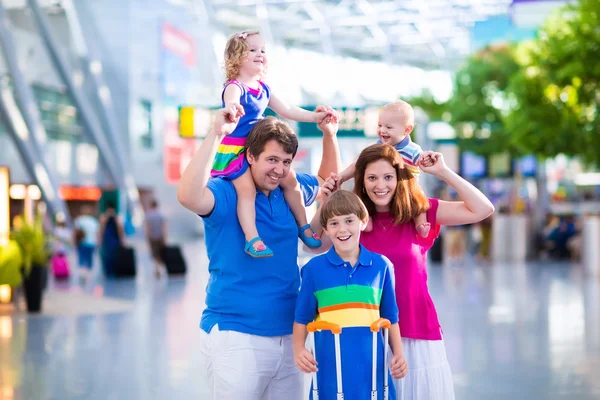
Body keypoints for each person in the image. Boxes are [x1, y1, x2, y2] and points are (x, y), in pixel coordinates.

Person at [177, 107, 341, 399]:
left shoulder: (288, 190)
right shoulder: (227, 191)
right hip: (237, 334)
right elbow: (188, 196)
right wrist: (217, 134)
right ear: (250, 156)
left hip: (291, 335)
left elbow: (328, 183)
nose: (279, 169)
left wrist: (330, 136)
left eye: (286, 162)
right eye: (272, 160)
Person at [313, 144, 495, 399]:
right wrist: (328, 196)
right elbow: (313, 244)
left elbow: (483, 209)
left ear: (399, 179)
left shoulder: (420, 213)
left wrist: (443, 172)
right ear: (361, 181)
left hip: (417, 331)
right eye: (372, 177)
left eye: (388, 177)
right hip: (366, 335)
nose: (381, 185)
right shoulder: (351, 221)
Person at [213, 30, 334, 258]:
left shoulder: (263, 88)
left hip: (257, 146)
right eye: (252, 50)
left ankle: (304, 225)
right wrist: (231, 109)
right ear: (236, 57)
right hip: (237, 151)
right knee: (246, 190)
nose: (260, 54)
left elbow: (287, 110)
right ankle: (252, 238)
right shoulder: (235, 86)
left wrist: (315, 117)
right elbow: (230, 101)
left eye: (263, 50)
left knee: (291, 181)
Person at [293, 190, 407, 400]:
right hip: (330, 369)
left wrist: (398, 353)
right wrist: (299, 349)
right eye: (334, 223)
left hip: (373, 370)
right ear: (325, 229)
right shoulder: (313, 270)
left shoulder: (381, 266)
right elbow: (302, 318)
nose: (342, 229)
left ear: (363, 222)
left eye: (349, 221)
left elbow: (391, 318)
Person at [336, 100, 432, 237]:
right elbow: (356, 165)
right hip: (385, 190)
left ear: (407, 130)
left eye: (388, 127)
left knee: (419, 200)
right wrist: (341, 177)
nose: (382, 131)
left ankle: (420, 224)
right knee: (360, 196)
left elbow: (423, 160)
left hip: (407, 189)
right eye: (380, 125)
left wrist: (428, 159)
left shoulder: (412, 150)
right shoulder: (377, 147)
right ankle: (365, 219)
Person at [97, 201, 125, 277]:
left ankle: (111, 271)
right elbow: (120, 229)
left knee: (111, 255)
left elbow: (101, 229)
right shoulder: (110, 217)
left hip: (111, 239)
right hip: (110, 239)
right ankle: (110, 271)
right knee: (109, 255)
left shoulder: (114, 217)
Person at [73, 205, 99, 279]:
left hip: (81, 243)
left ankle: (82, 274)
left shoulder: (79, 220)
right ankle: (88, 276)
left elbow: (75, 232)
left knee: (81, 259)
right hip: (91, 243)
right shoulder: (93, 221)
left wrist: (74, 242)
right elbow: (97, 233)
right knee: (89, 259)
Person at [145, 199, 167, 277]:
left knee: (155, 253)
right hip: (160, 237)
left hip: (152, 237)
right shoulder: (161, 215)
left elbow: (147, 228)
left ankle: (157, 268)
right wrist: (165, 237)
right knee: (161, 253)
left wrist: (148, 237)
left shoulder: (148, 215)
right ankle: (160, 268)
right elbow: (164, 228)